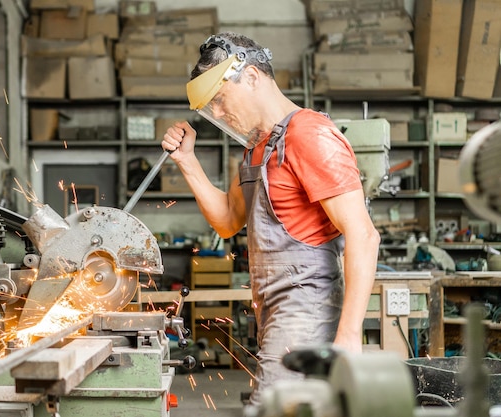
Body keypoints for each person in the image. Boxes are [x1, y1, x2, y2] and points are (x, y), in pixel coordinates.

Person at [161, 32, 381, 407]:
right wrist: (187, 161)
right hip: (272, 308)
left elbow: (364, 235)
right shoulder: (255, 148)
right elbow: (229, 221)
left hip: (306, 310)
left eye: (219, 99)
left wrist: (348, 337)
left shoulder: (309, 135)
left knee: (276, 408)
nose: (216, 113)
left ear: (251, 77)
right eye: (209, 106)